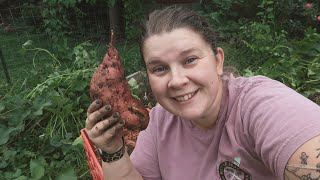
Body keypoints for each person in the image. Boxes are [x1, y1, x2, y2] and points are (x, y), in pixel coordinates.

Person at [85, 5, 320, 180]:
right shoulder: (159, 122)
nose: (177, 80)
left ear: (218, 61)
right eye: (159, 68)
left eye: (190, 60)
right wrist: (113, 150)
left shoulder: (258, 104)